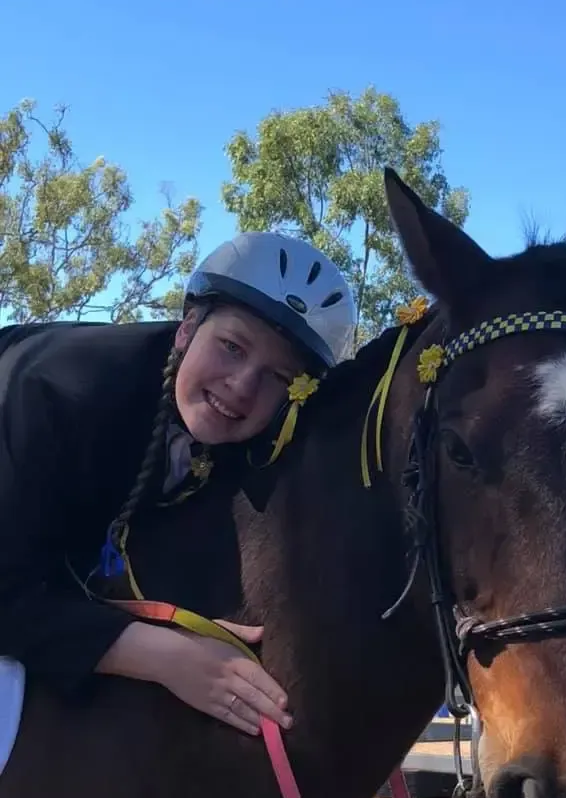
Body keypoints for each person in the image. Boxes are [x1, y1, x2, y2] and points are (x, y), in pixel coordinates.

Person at [0, 232, 356, 741]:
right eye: (232, 347)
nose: (242, 385)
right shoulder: (60, 391)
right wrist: (168, 656)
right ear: (187, 329)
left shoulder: (254, 436)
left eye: (278, 375)